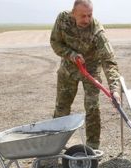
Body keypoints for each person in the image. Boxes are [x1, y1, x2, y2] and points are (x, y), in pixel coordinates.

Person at [50, 0, 121, 150]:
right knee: (62, 107)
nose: (87, 20)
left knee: (92, 107)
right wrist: (71, 54)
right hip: (68, 69)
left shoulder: (97, 31)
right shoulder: (63, 19)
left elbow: (109, 61)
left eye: (90, 15)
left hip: (91, 70)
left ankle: (92, 147)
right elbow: (55, 43)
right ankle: (56, 144)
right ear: (73, 13)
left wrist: (115, 89)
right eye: (83, 16)